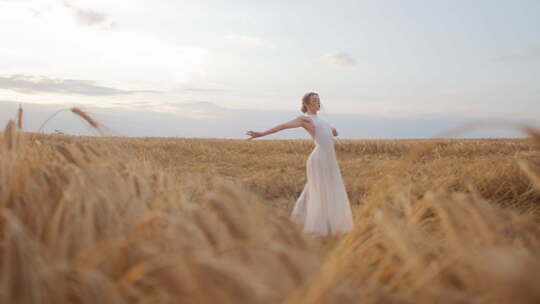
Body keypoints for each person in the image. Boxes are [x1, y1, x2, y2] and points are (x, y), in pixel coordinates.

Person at [245, 92, 354, 237]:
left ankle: (316, 223)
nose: (318, 103)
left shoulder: (322, 121)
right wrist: (262, 134)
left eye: (319, 100)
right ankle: (314, 226)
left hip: (330, 159)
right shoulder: (305, 119)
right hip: (319, 158)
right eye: (314, 100)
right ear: (306, 105)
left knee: (327, 188)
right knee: (319, 190)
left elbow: (334, 133)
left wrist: (331, 130)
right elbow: (284, 126)